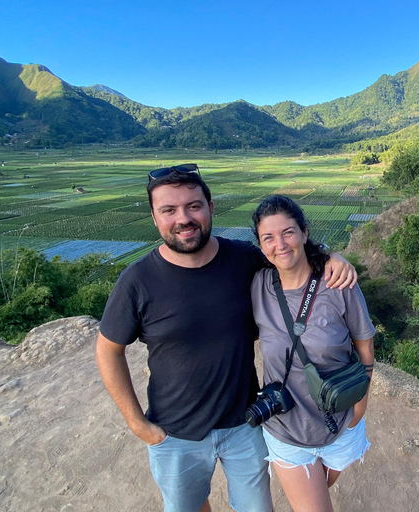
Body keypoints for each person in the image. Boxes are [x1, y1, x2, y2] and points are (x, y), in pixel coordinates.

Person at [95, 165, 357, 512]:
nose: (183, 218)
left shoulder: (242, 260)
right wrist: (137, 423)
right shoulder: (137, 281)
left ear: (210, 208)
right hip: (174, 433)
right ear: (155, 217)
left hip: (244, 426)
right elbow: (108, 351)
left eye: (193, 206)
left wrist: (333, 257)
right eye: (169, 210)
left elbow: (288, 254)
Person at [250, 195, 375, 512]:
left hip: (341, 419)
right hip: (286, 429)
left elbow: (364, 345)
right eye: (269, 237)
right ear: (260, 245)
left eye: (288, 232)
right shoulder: (257, 284)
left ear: (305, 233)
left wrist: (360, 406)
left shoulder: (338, 283)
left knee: (320, 486)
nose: (280, 244)